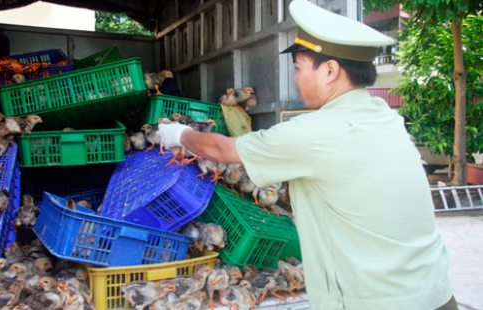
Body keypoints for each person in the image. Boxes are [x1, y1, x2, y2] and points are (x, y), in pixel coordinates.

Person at [157, 1, 456, 309]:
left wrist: (178, 135)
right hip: (435, 293)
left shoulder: (317, 131)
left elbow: (223, 150)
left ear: (329, 70)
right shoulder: (385, 117)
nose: (296, 79)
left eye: (299, 69)